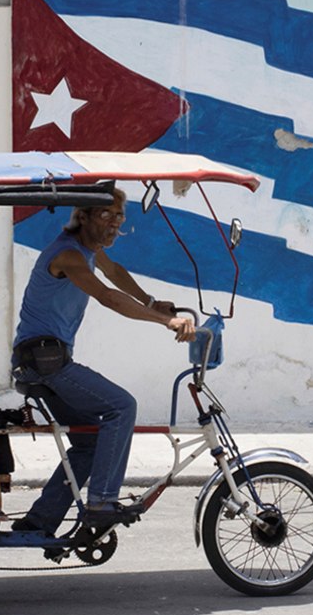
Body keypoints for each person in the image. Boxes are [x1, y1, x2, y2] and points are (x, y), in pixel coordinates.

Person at [11, 190, 196, 535]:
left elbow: (115, 272)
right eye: (106, 216)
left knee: (89, 441)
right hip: (44, 362)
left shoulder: (89, 251)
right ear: (83, 216)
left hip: (44, 360)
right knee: (121, 407)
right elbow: (109, 296)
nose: (114, 224)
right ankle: (101, 502)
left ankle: (39, 521)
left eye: (120, 217)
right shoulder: (68, 256)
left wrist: (153, 302)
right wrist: (165, 322)